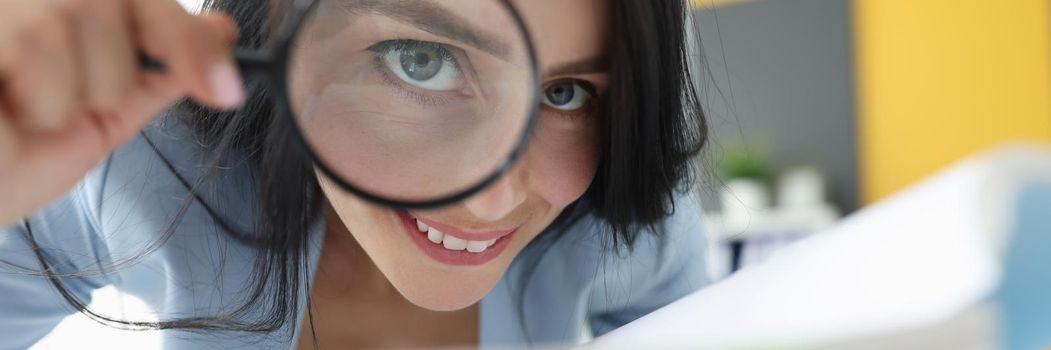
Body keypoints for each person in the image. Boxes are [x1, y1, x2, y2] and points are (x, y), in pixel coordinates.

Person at [0, 0, 709, 348]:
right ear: (282, 26)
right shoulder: (144, 160)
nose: (494, 196)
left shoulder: (627, 207)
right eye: (421, 62)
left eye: (566, 93)